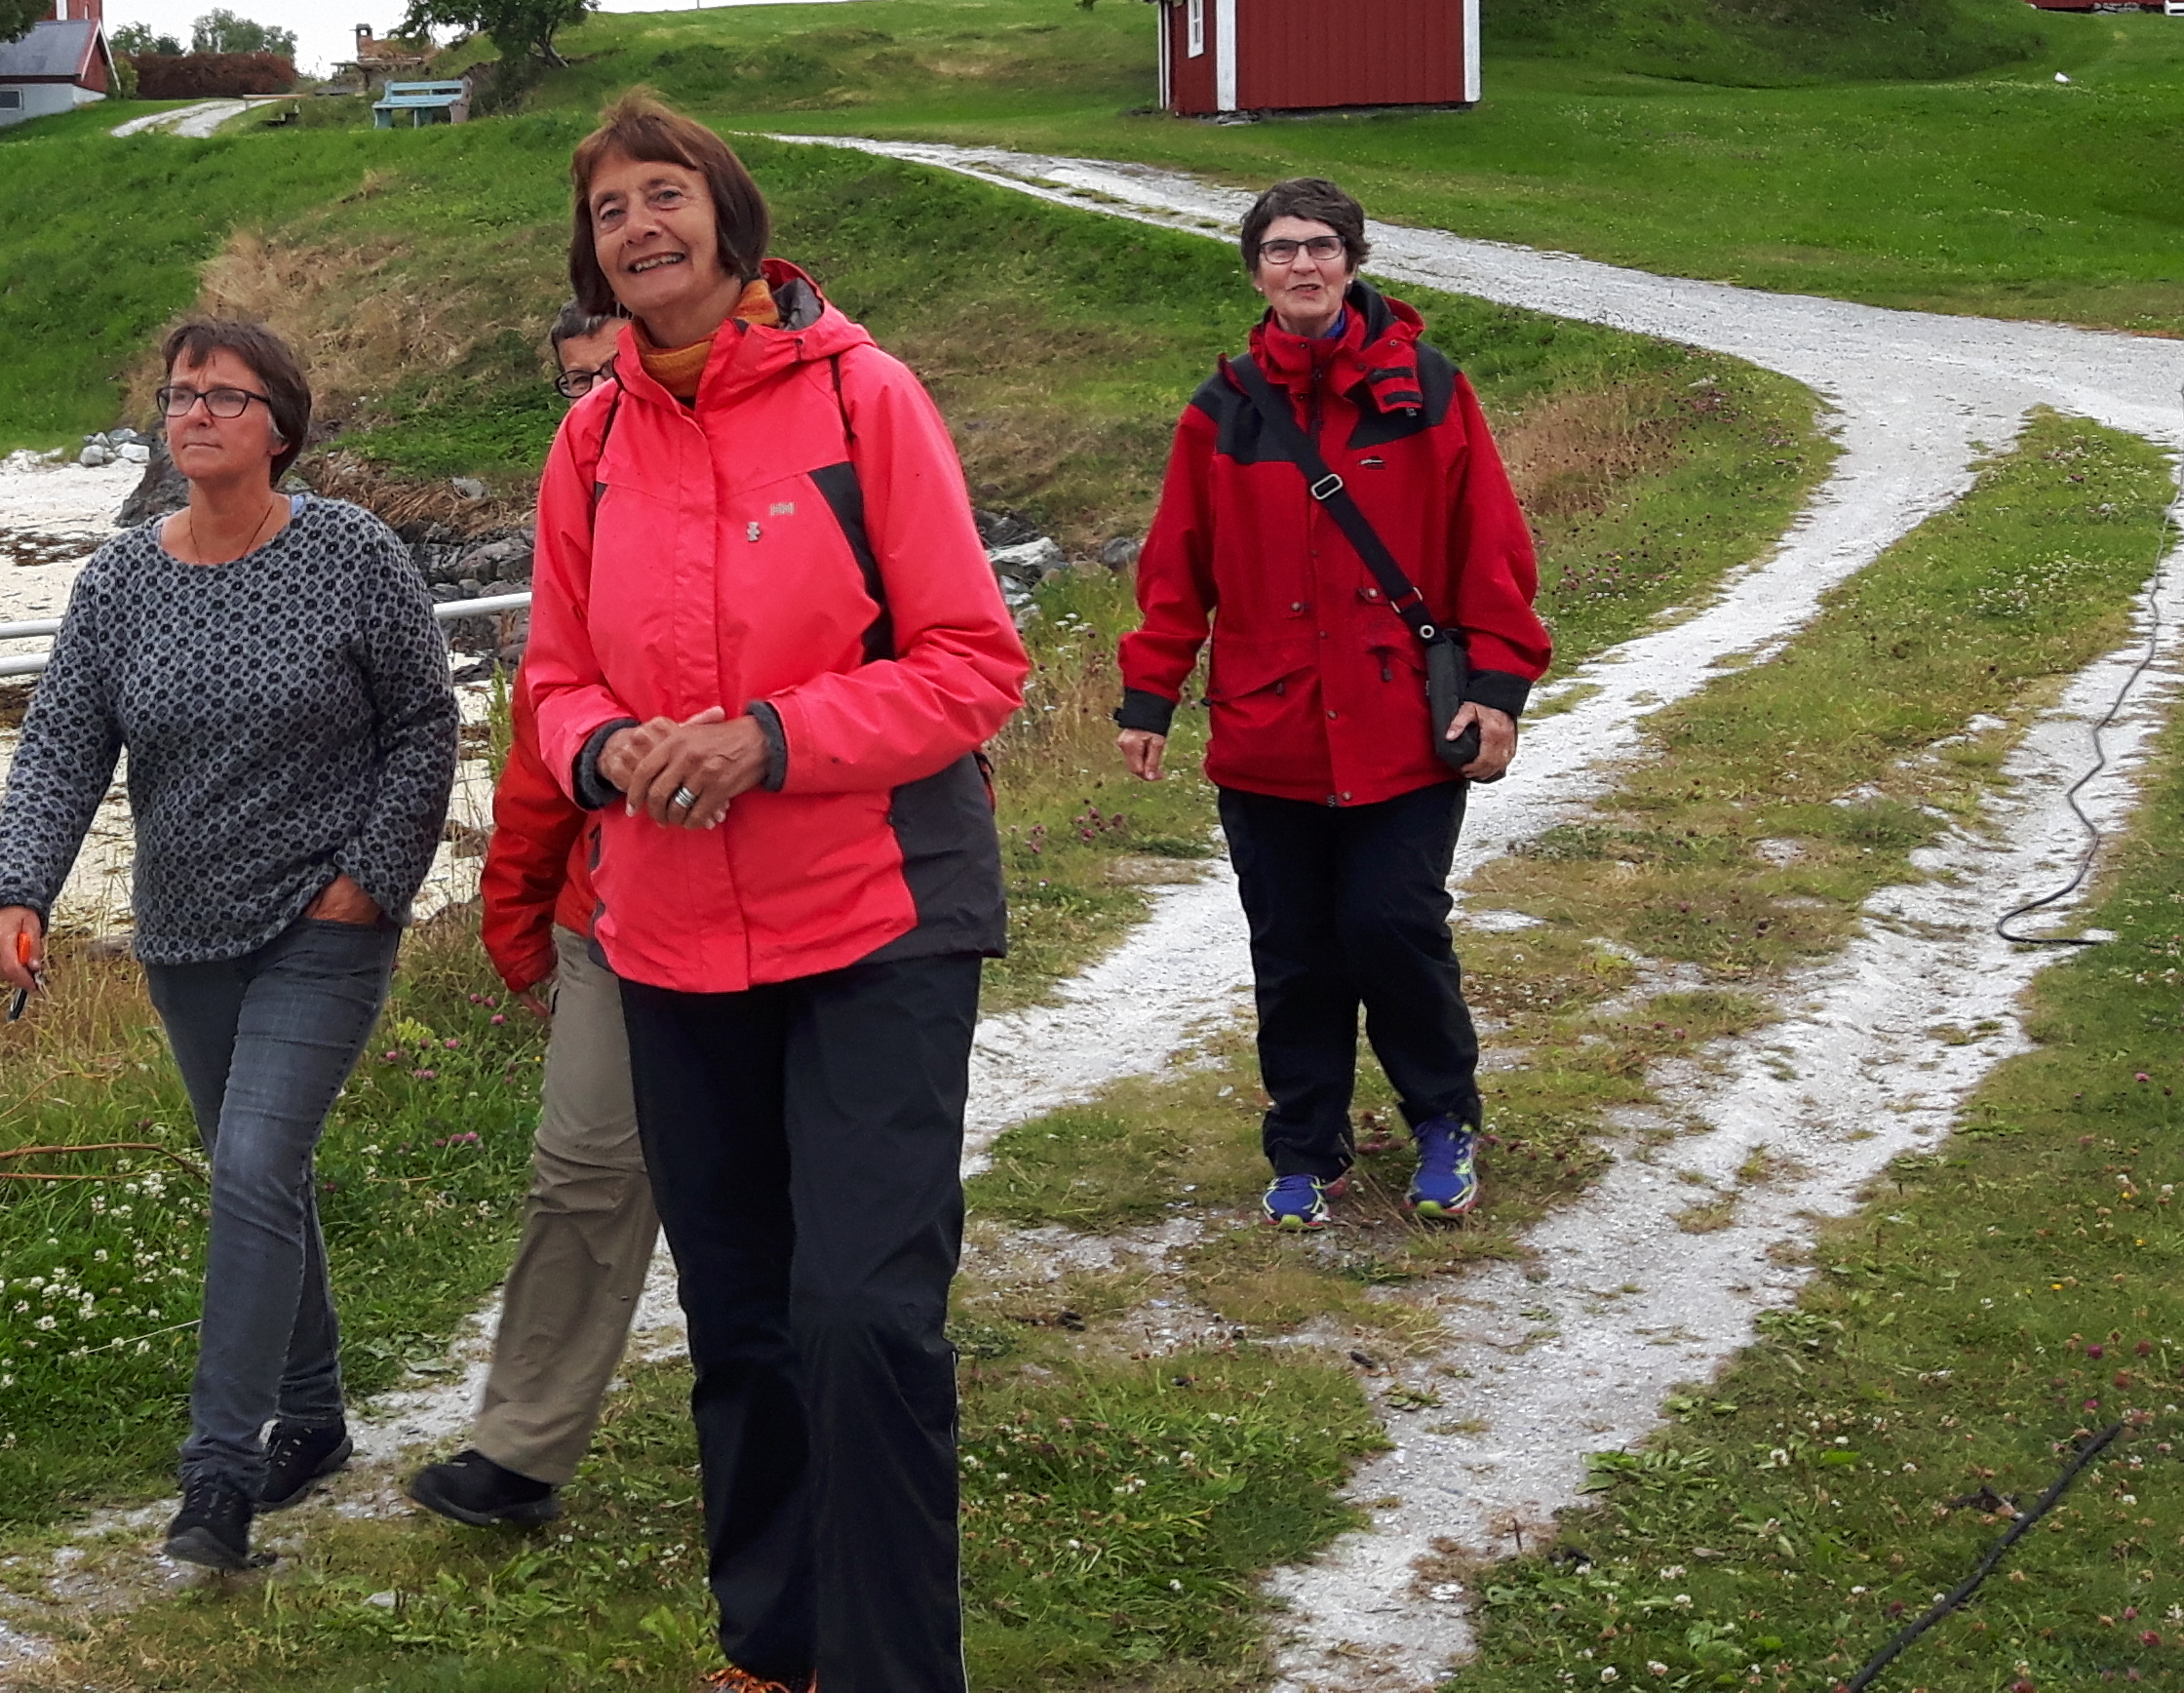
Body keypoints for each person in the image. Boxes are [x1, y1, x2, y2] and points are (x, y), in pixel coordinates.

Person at [520, 95, 1030, 1693]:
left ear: (725, 221)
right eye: (610, 213)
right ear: (591, 260)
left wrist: (769, 738)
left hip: (875, 913)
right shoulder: (587, 440)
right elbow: (547, 675)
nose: (638, 230)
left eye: (662, 197)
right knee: (738, 1315)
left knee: (861, 1314)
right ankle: (773, 1647)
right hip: (670, 935)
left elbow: (969, 665)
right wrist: (602, 752)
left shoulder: (861, 397)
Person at [0, 315, 461, 1573]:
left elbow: (423, 722)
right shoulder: (120, 581)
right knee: (260, 1176)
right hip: (185, 933)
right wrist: (15, 889)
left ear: (280, 428)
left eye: (222, 397)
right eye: (178, 394)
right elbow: (63, 743)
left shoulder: (353, 555)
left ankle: (219, 1476)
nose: (191, 414)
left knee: (251, 1166)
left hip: (324, 926)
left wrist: (370, 881)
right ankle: (314, 1415)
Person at [1112, 177, 1546, 1233]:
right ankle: (1306, 1147)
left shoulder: (1431, 388)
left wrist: (1498, 689)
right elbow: (1180, 566)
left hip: (1405, 726)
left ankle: (1445, 1120)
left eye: (1320, 247)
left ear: (1352, 261)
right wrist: (1150, 693)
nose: (1301, 267)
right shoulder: (1219, 414)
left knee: (1393, 927)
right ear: (1255, 269)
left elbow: (1487, 548)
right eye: (1279, 250)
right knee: (1295, 949)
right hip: (1271, 734)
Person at [410, 305, 650, 1534]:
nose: (597, 398)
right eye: (574, 384)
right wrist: (518, 921)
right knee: (583, 1176)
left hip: (784, 916)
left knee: (767, 1190)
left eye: (613, 371)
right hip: (608, 919)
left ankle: (801, 1433)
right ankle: (521, 1450)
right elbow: (544, 748)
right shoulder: (581, 518)